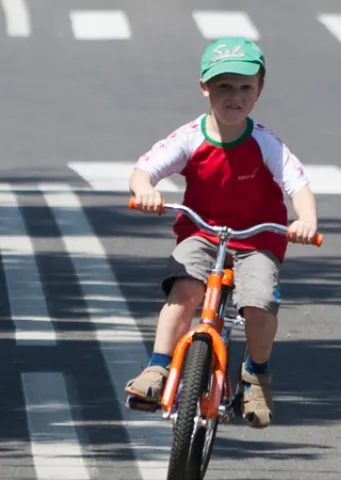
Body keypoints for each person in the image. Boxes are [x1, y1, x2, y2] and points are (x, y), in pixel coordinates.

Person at [124, 36, 319, 429]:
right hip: (201, 232)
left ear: (259, 91)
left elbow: (298, 186)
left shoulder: (265, 142)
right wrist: (144, 190)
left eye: (246, 87)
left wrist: (305, 220)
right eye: (224, 87)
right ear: (205, 88)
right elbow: (144, 170)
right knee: (184, 291)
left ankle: (256, 377)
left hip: (257, 239)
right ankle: (157, 369)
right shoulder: (190, 137)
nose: (235, 96)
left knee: (259, 303)